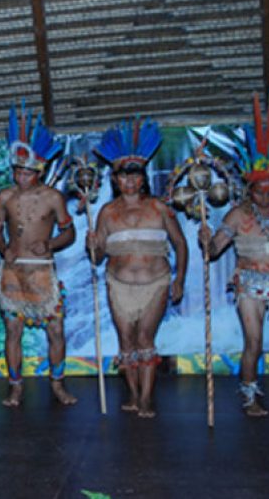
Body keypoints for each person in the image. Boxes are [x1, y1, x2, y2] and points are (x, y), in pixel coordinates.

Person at [89, 118, 187, 418]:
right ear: (115, 179)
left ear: (142, 178)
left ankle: (146, 398)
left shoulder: (159, 208)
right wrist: (91, 244)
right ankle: (132, 394)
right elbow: (96, 258)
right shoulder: (106, 212)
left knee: (145, 339)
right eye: (123, 176)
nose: (129, 181)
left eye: (135, 175)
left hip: (155, 282)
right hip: (118, 285)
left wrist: (179, 279)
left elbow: (181, 244)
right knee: (126, 342)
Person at [0, 101, 77, 408]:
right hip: (13, 272)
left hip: (43, 270)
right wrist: (4, 250)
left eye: (27, 172)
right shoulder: (4, 196)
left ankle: (57, 384)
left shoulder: (53, 197)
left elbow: (70, 232)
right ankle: (15, 387)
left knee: (55, 329)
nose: (21, 176)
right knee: (12, 331)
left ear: (39, 170)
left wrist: (51, 245)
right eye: (17, 170)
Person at [199, 93, 269, 417]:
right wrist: (206, 241)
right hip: (250, 283)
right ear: (249, 190)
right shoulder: (236, 215)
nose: (265, 196)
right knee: (254, 343)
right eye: (259, 191)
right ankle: (249, 397)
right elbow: (215, 251)